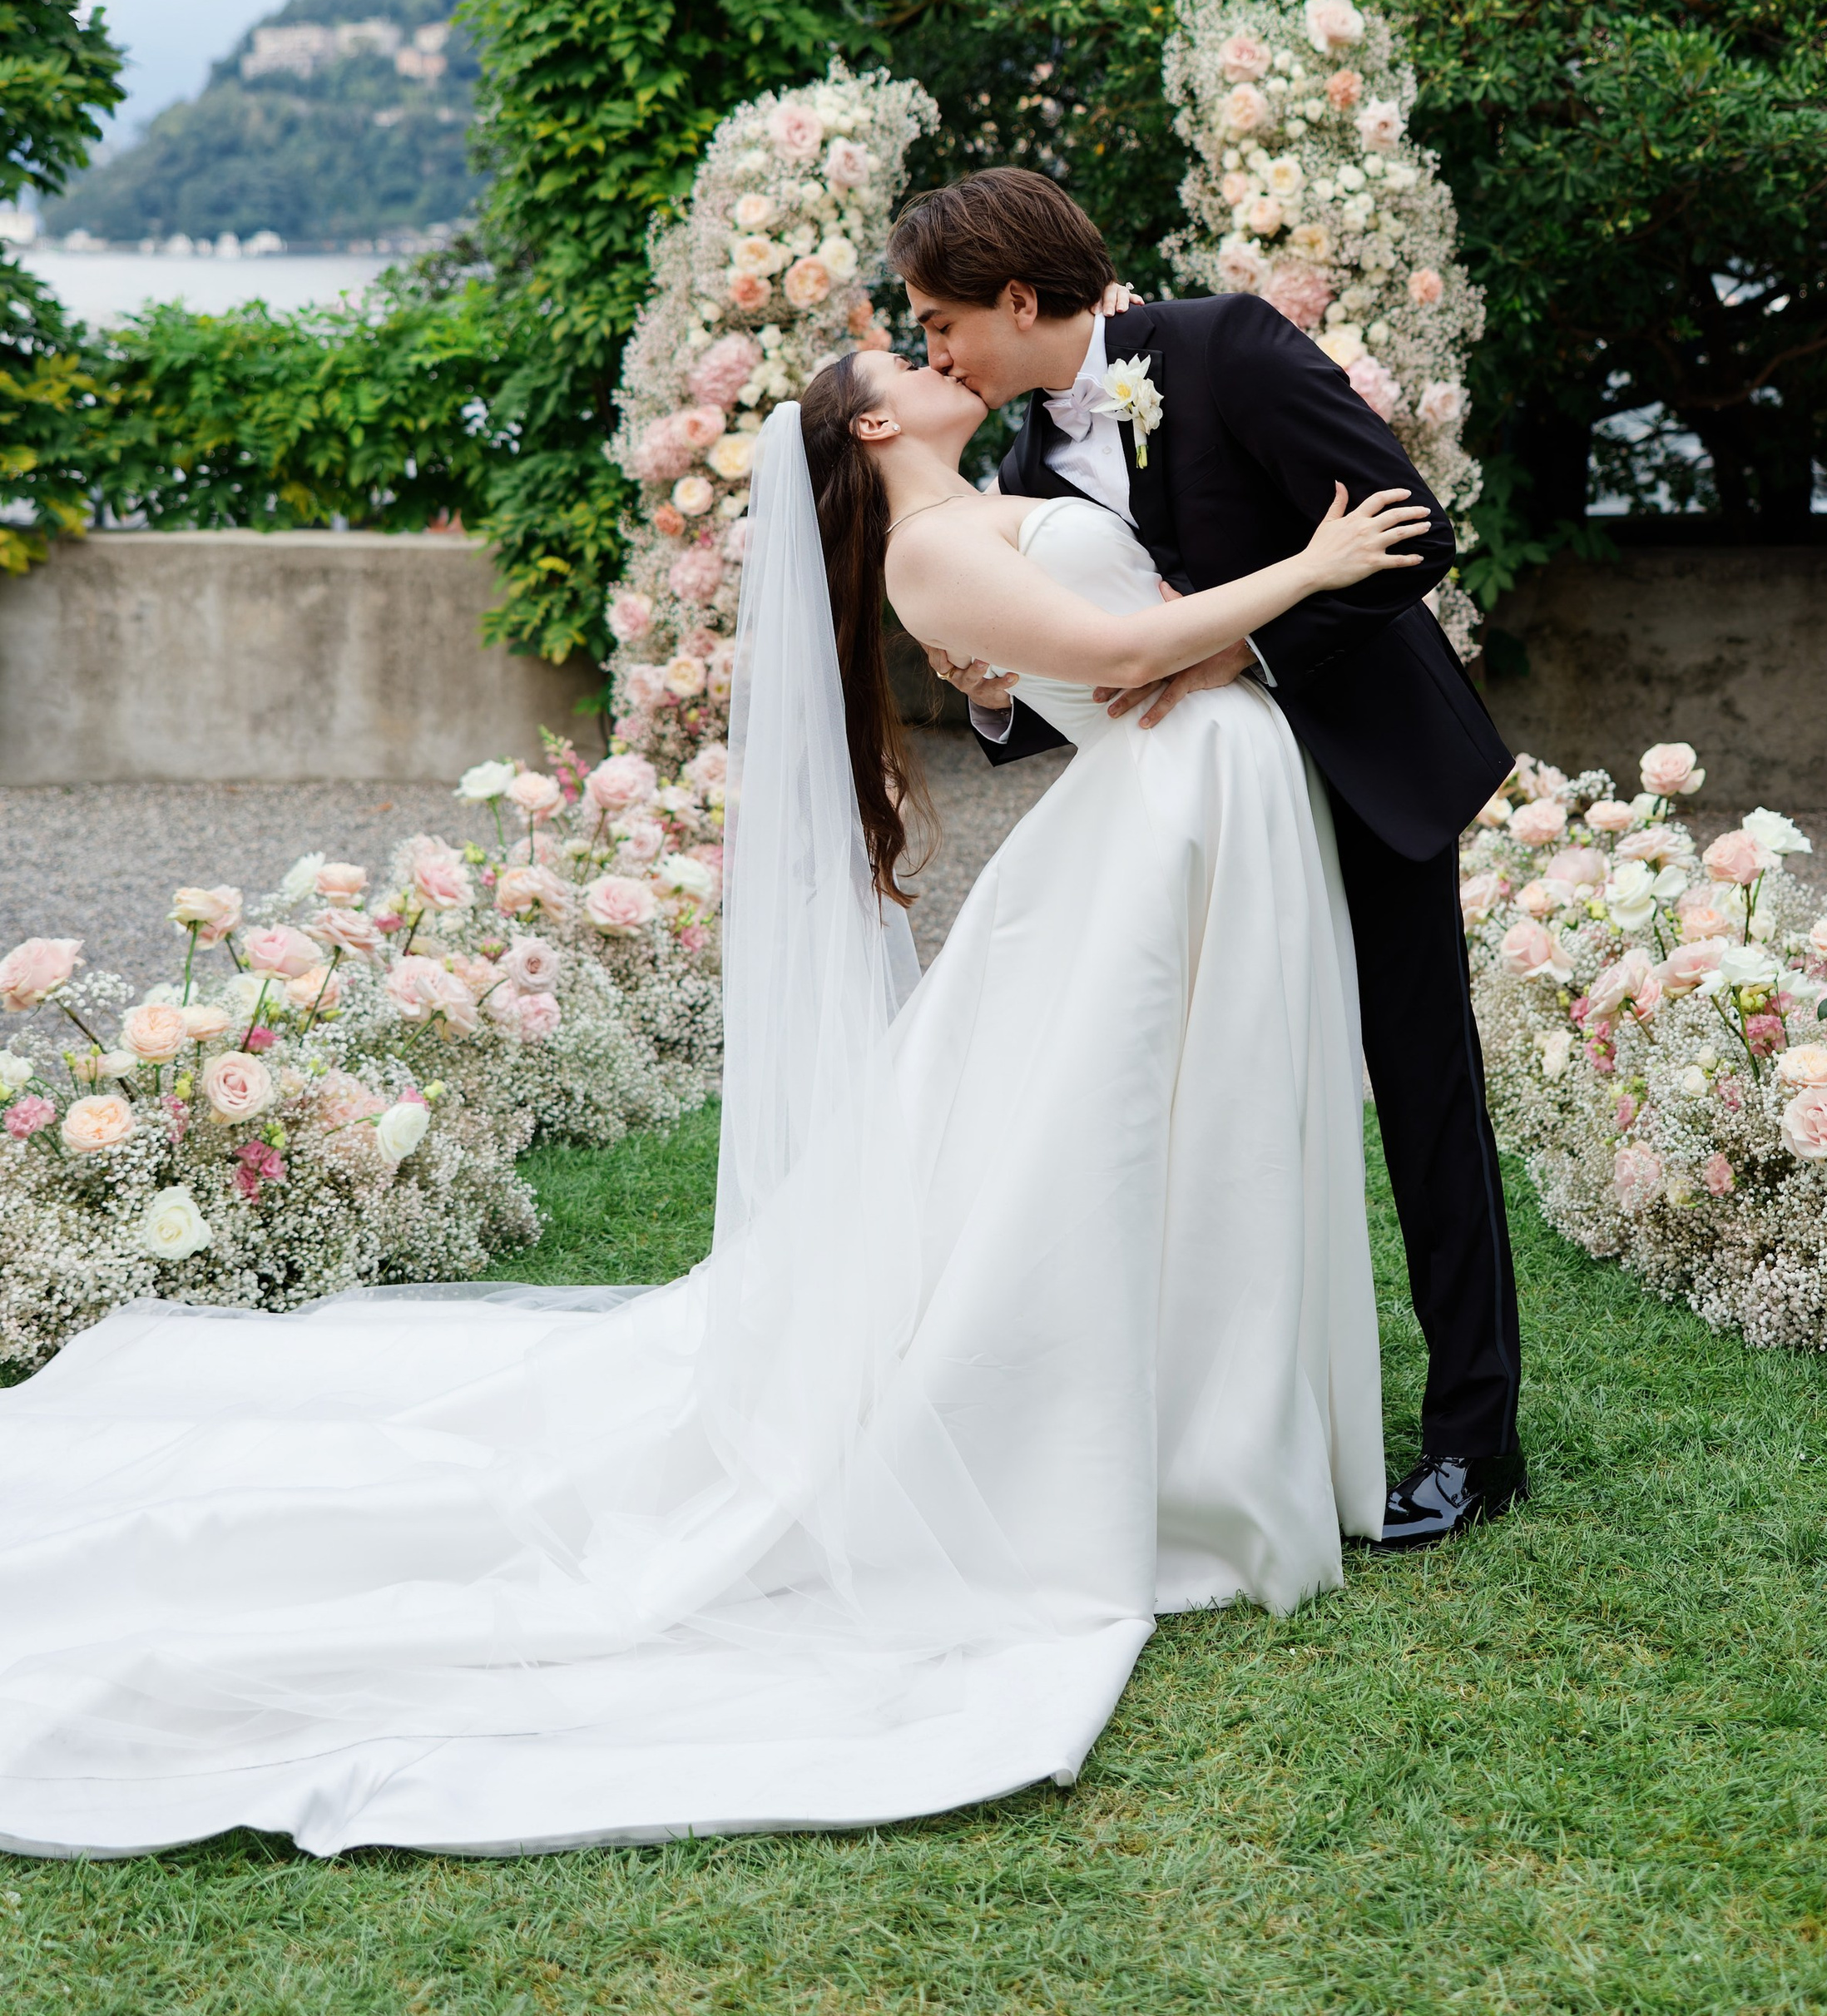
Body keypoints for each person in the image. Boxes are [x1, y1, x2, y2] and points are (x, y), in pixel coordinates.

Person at [0, 354, 1420, 1858]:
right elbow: (1126, 642)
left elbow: (1108, 627)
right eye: (907, 353)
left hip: (1176, 813)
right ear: (873, 424)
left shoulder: (995, 502)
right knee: (1099, 1160)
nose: (939, 357)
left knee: (1145, 1147)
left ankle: (1205, 1411)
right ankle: (1151, 1441)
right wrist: (1315, 565)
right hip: (1152, 824)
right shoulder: (938, 548)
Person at [887, 167, 1524, 1549]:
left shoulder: (1225, 343)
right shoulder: (1020, 472)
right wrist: (994, 697)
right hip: (1208, 825)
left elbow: (1411, 530)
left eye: (941, 323)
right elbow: (1102, 687)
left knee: (1423, 1095)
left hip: (1361, 771)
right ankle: (1242, 1406)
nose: (932, 351)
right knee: (1220, 1107)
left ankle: (1475, 1442)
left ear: (1016, 295)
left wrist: (1248, 645)